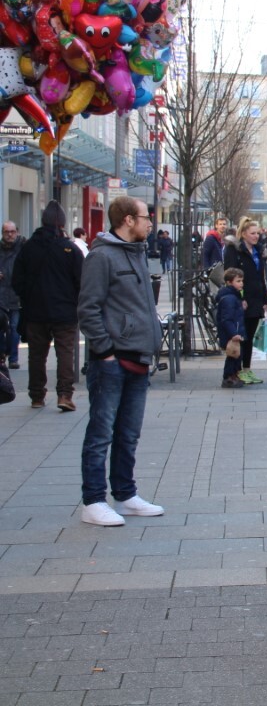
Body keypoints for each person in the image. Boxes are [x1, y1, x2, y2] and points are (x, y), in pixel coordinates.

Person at [76, 195, 164, 527]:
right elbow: (88, 308)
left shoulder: (137, 252)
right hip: (112, 362)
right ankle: (93, 501)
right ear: (128, 220)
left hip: (139, 358)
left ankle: (125, 495)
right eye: (145, 217)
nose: (150, 223)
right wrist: (105, 352)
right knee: (101, 434)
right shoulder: (102, 256)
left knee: (128, 434)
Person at [12, 201, 84, 411]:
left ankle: (36, 396)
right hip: (64, 312)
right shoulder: (70, 249)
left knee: (36, 355)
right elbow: (82, 281)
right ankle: (64, 395)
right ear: (62, 223)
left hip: (35, 311)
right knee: (65, 353)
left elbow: (17, 280)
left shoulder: (28, 248)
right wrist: (73, 301)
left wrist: (28, 297)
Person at [222, 218, 267, 385]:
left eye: (258, 233)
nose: (256, 236)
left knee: (250, 337)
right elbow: (230, 276)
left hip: (256, 298)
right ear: (243, 234)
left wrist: (265, 298)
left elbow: (261, 276)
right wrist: (239, 298)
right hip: (242, 300)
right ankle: (235, 371)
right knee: (240, 336)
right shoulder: (234, 250)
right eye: (252, 233)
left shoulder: (258, 250)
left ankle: (247, 369)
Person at [215, 268, 246, 388]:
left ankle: (234, 375)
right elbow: (226, 319)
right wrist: (233, 334)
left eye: (242, 281)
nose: (241, 283)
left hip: (236, 330)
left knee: (237, 354)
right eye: (238, 281)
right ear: (229, 282)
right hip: (231, 333)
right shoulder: (229, 298)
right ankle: (228, 377)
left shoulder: (234, 296)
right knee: (233, 355)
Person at [0, 221, 23, 370]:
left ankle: (13, 358)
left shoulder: (22, 248)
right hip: (1, 294)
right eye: (7, 232)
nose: (9, 234)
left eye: (12, 231)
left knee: (14, 328)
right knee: (1, 328)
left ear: (17, 232)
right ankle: (2, 355)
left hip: (16, 295)